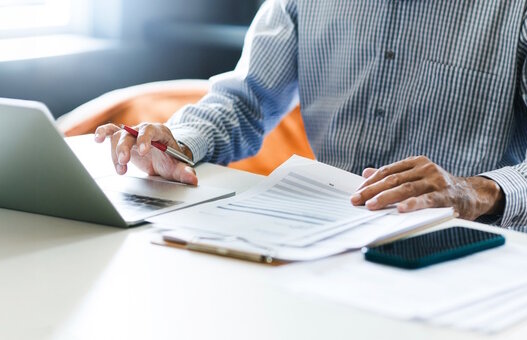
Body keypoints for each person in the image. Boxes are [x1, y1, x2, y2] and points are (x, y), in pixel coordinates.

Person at [95, 0, 527, 231]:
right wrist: (179, 143)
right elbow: (246, 99)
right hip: (324, 238)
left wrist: (477, 191)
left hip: (472, 244)